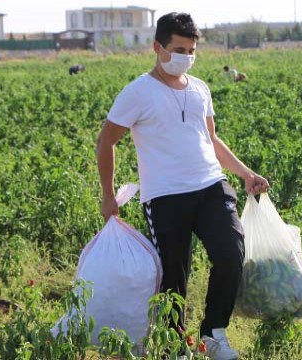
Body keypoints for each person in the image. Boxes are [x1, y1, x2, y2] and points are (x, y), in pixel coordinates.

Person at [96, 12, 269, 360]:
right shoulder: (138, 92)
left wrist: (245, 173)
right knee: (174, 276)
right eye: (178, 49)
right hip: (165, 197)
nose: (185, 57)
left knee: (231, 252)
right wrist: (107, 195)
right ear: (157, 47)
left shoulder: (200, 88)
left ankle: (213, 335)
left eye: (191, 50)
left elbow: (213, 140)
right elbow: (106, 141)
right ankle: (175, 346)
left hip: (210, 187)